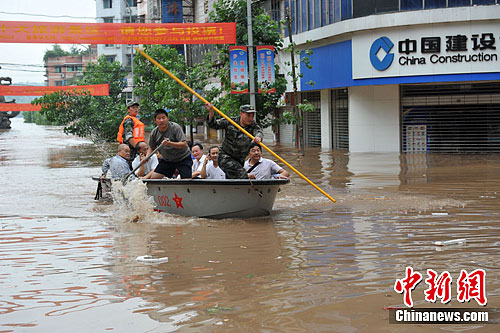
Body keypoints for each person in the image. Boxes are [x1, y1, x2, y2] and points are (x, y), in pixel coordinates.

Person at [206, 103, 263, 179]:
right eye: (248, 115)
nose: (250, 118)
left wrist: (258, 137)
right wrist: (211, 111)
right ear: (241, 114)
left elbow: (259, 132)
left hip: (240, 160)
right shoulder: (230, 121)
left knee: (235, 179)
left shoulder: (253, 125)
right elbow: (214, 124)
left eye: (252, 116)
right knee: (243, 175)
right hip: (225, 157)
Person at [148, 108, 193, 179]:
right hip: (167, 160)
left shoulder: (175, 127)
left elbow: (184, 144)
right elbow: (151, 147)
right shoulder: (154, 132)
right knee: (154, 178)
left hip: (183, 158)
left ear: (167, 118)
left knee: (186, 181)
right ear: (155, 120)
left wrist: (170, 144)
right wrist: (147, 158)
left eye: (163, 118)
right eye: (159, 118)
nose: (162, 120)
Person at [117, 101, 145, 166]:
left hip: (136, 149)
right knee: (131, 166)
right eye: (133, 107)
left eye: (137, 107)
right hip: (130, 149)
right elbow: (129, 137)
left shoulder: (136, 120)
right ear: (128, 110)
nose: (136, 109)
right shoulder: (129, 121)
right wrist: (138, 148)